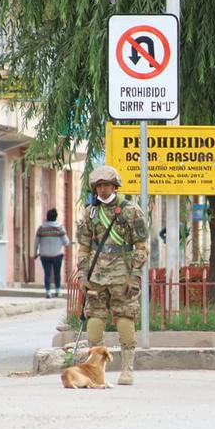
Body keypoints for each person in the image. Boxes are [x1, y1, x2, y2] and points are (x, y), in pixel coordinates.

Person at [76, 165, 149, 386]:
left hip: (122, 274)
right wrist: (82, 275)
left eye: (106, 185)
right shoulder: (90, 213)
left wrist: (135, 276)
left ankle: (127, 369)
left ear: (115, 186)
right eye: (98, 186)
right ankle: (94, 369)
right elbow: (84, 247)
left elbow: (141, 246)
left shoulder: (131, 211)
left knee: (125, 317)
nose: (102, 190)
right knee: (95, 319)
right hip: (96, 275)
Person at [34, 208, 70, 298]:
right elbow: (66, 242)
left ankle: (48, 292)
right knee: (57, 273)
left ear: (47, 217)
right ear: (56, 217)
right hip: (57, 254)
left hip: (44, 255)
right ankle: (58, 291)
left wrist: (35, 253)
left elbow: (36, 242)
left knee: (47, 273)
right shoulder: (59, 227)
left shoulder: (41, 228)